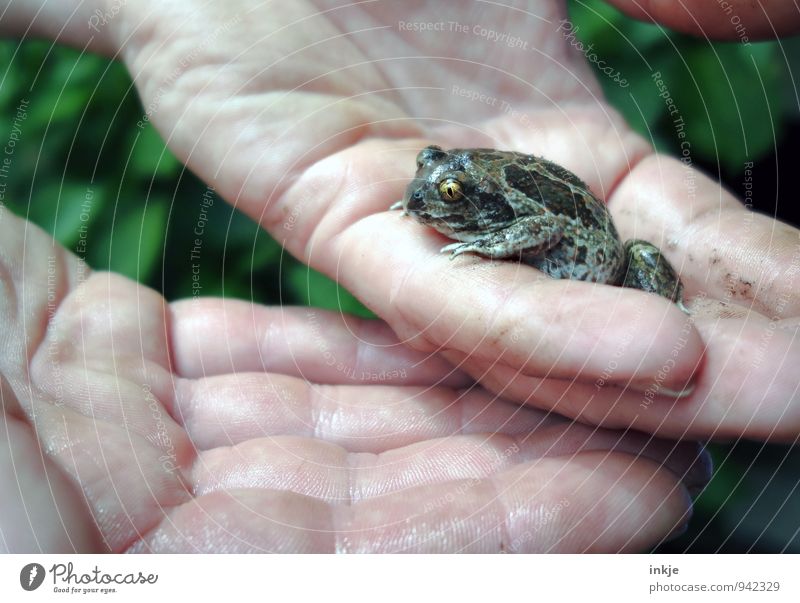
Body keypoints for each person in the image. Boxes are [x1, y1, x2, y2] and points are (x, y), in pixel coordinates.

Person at [1, 0, 797, 552]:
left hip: (602, 253)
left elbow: (556, 220)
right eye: (431, 181)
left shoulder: (516, 215)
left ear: (476, 202)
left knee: (648, 289)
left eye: (446, 195)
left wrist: (494, 244)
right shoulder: (452, 185)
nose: (423, 199)